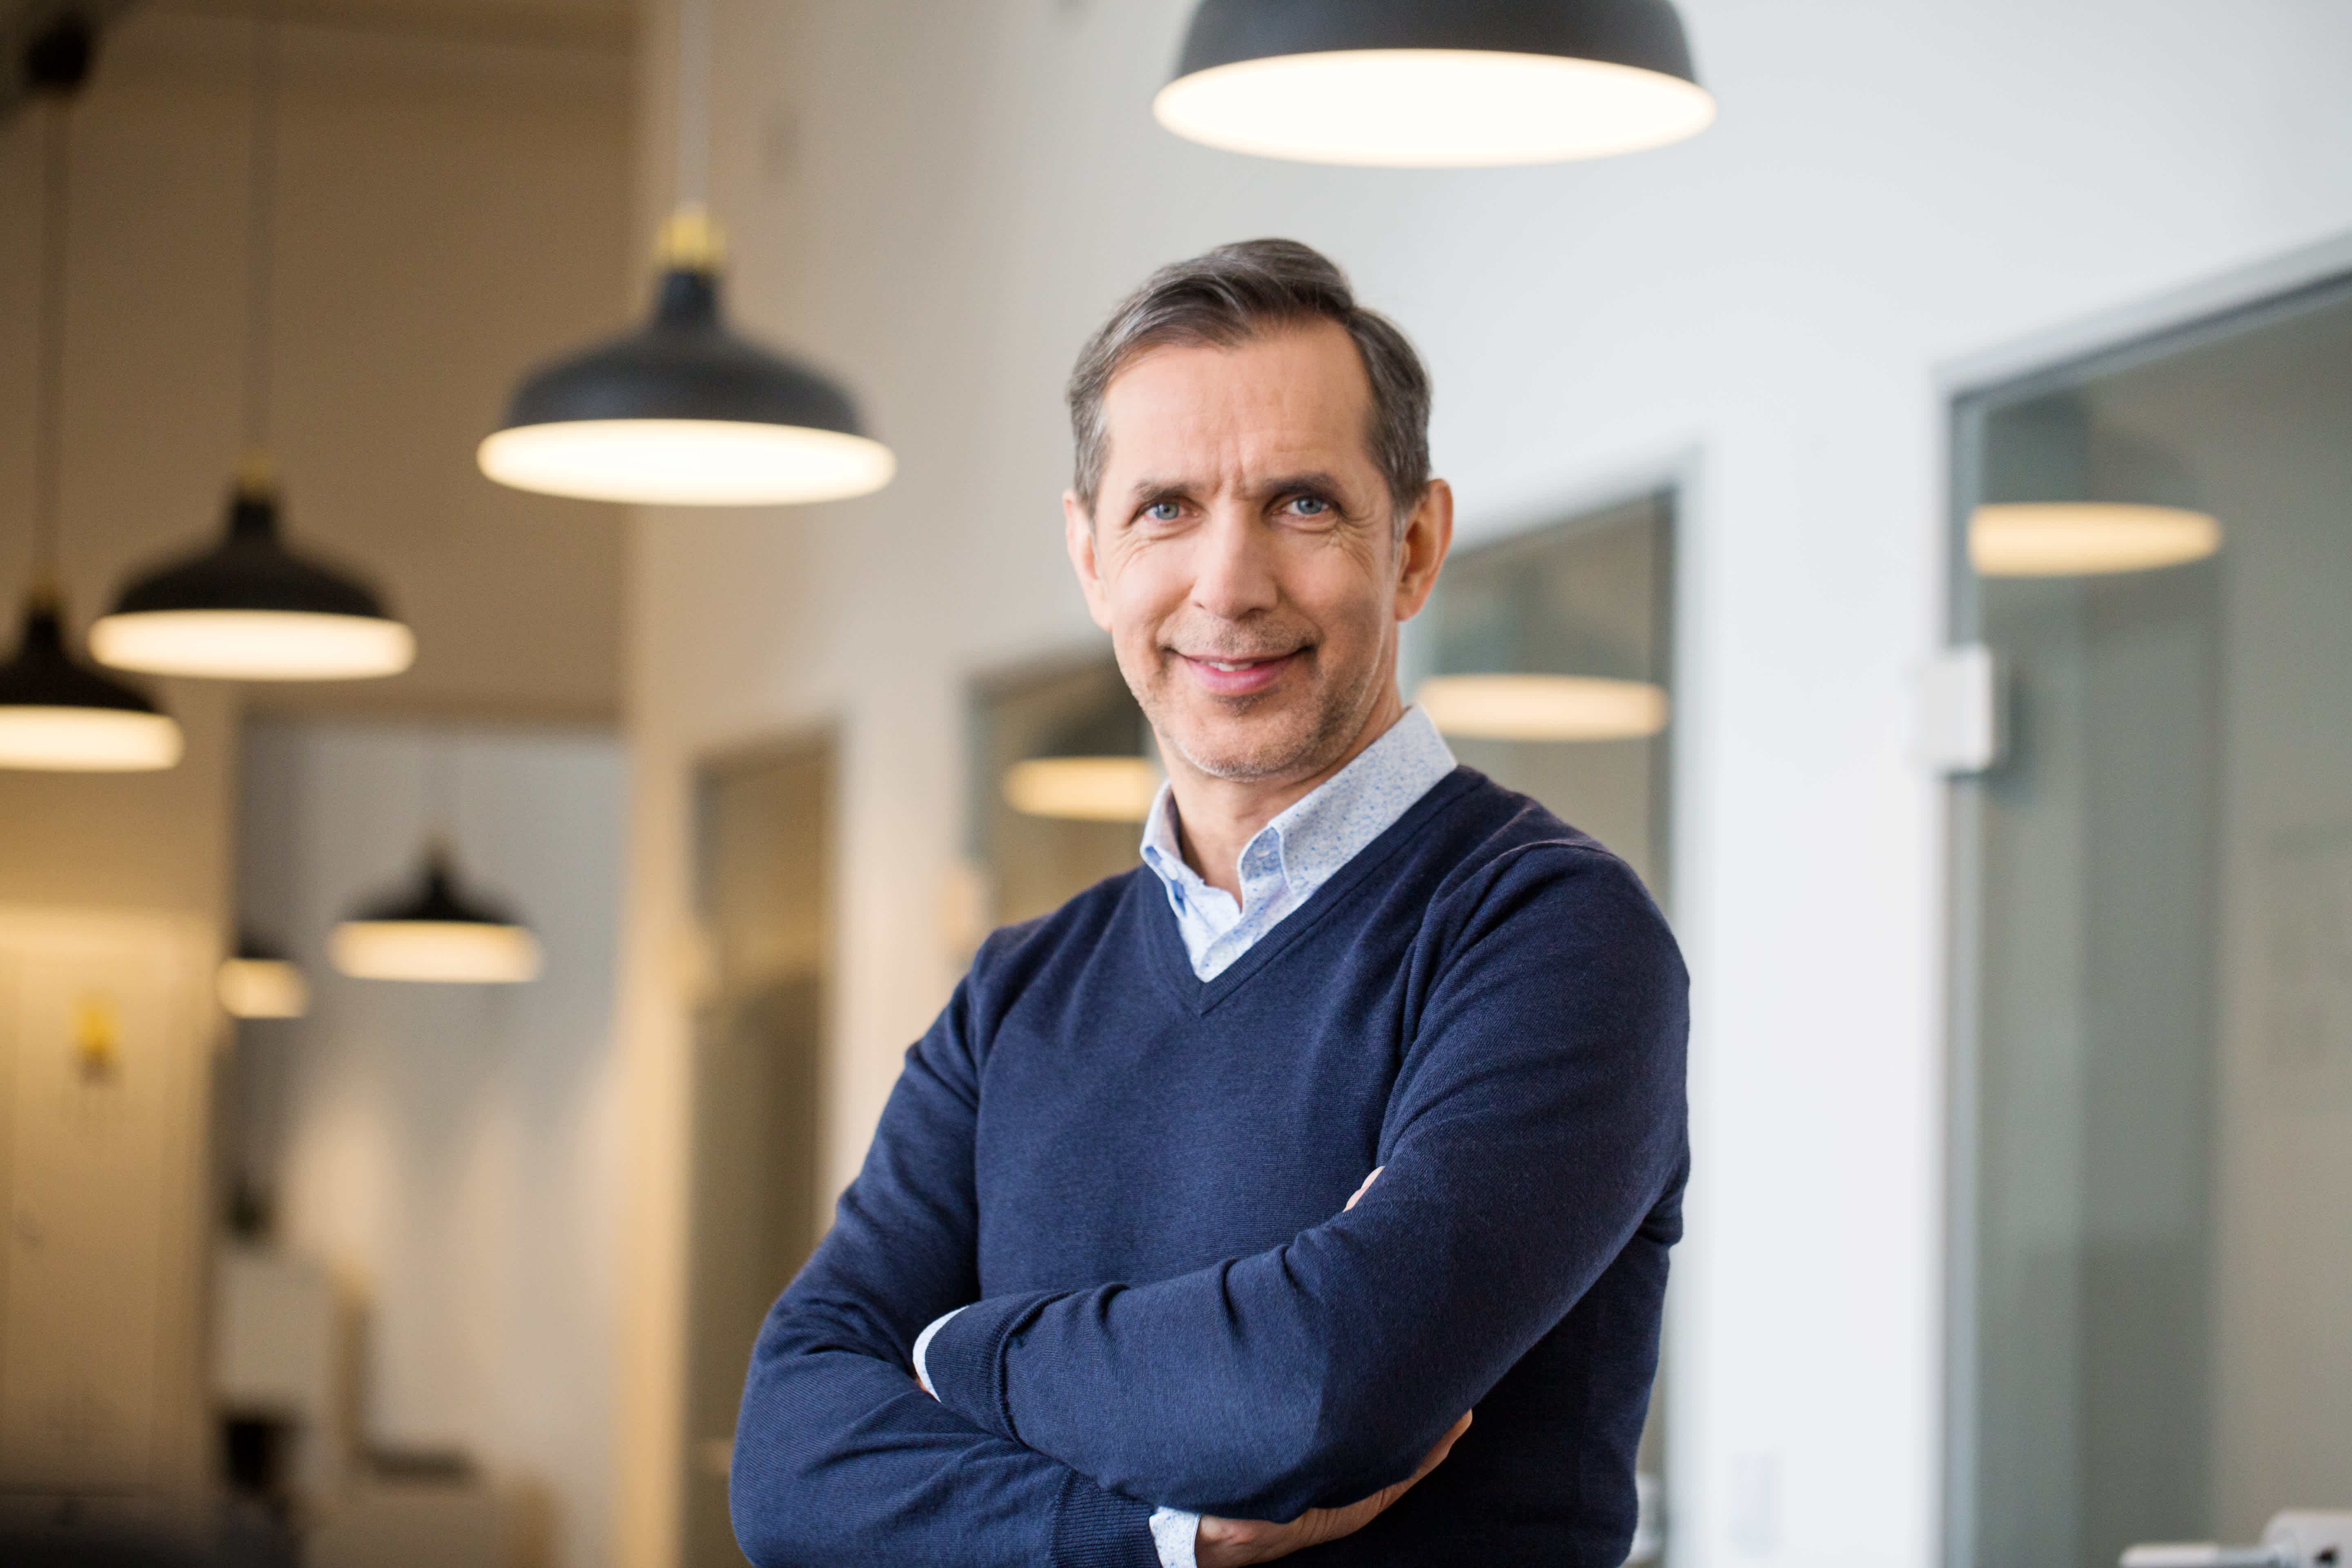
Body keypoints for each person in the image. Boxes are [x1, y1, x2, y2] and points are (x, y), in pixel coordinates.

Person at [729, 239, 1688, 1568]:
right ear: (1091, 556)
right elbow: (788, 1466)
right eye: (1166, 509)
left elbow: (1314, 1390)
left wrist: (953, 1351)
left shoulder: (1550, 939)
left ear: (1413, 547)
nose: (1229, 586)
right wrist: (1152, 1543)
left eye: (1300, 505)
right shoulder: (1015, 998)